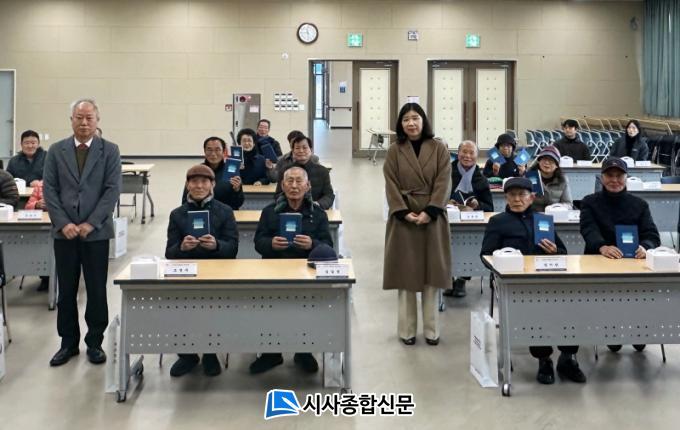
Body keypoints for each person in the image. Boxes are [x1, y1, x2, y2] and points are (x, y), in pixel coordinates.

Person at [481, 177, 585, 385]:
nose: (517, 199)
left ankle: (568, 357)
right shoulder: (498, 222)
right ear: (506, 198)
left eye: (522, 195)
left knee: (571, 306)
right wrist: (504, 261)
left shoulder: (543, 220)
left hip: (550, 280)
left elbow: (563, 252)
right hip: (516, 284)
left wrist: (555, 251)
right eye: (512, 195)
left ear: (531, 198)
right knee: (536, 311)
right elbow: (485, 255)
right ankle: (544, 358)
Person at [43, 98, 121, 367]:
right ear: (71, 120)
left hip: (95, 234)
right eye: (79, 117)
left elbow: (112, 190)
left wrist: (92, 222)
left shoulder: (109, 150)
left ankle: (95, 342)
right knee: (66, 291)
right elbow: (49, 189)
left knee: (97, 290)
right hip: (63, 233)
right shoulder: (56, 150)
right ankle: (68, 343)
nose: (84, 122)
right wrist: (63, 222)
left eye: (89, 118)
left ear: (97, 120)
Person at [250, 166, 333, 374]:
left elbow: (328, 246)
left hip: (305, 274)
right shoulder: (270, 211)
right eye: (289, 181)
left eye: (299, 181)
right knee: (271, 312)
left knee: (304, 312)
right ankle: (271, 354)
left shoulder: (317, 213)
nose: (294, 186)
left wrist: (312, 244)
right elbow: (258, 242)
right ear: (282, 185)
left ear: (308, 185)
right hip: (274, 271)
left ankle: (303, 351)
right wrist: (271, 244)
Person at [383, 103, 451, 346]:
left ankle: (432, 330)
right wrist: (403, 212)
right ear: (400, 124)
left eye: (415, 118)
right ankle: (407, 330)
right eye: (406, 119)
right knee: (406, 275)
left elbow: (444, 180)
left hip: (433, 218)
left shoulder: (439, 148)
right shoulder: (394, 150)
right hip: (404, 219)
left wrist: (431, 210)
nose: (411, 123)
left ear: (424, 120)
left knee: (432, 275)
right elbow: (390, 183)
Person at [580, 156, 660, 353]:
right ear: (602, 177)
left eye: (619, 176)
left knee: (637, 296)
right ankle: (611, 330)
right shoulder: (589, 202)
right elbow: (588, 230)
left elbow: (652, 234)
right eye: (610, 175)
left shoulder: (640, 204)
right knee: (608, 298)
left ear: (626, 178)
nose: (614, 180)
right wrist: (602, 247)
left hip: (633, 263)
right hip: (599, 261)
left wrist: (645, 247)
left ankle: (638, 330)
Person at [165, 164, 239, 377]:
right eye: (194, 182)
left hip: (216, 272)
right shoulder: (177, 214)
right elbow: (169, 252)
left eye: (204, 182)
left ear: (212, 184)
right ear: (187, 185)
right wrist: (182, 248)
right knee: (181, 308)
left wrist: (216, 245)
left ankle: (209, 353)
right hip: (186, 274)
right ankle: (187, 355)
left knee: (211, 308)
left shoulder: (225, 211)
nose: (199, 186)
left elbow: (233, 248)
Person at [444, 140, 492, 298]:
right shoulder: (446, 173)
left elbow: (490, 207)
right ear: (458, 153)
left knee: (471, 244)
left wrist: (477, 205)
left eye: (472, 153)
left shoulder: (481, 179)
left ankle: (462, 279)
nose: (467, 156)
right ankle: (449, 277)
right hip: (447, 222)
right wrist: (446, 203)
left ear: (477, 156)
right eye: (464, 152)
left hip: (471, 224)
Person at [182, 136, 244, 211]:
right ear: (204, 151)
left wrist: (237, 190)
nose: (213, 154)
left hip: (225, 214)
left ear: (224, 152)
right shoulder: (196, 171)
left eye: (217, 150)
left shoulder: (231, 170)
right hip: (202, 214)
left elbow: (238, 203)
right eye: (209, 150)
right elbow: (185, 201)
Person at [274, 135, 335, 209]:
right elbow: (278, 195)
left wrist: (318, 204)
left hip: (315, 211)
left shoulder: (322, 171)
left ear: (311, 150)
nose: (301, 151)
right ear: (293, 151)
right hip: (290, 210)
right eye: (297, 148)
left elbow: (329, 195)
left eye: (305, 148)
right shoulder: (285, 170)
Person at [528, 145, 573, 212]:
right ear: (539, 162)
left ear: (557, 165)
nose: (547, 162)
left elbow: (568, 204)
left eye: (551, 160)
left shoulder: (562, 180)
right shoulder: (530, 177)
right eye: (544, 159)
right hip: (533, 214)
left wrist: (559, 208)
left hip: (554, 214)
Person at [25, 179, 50, 291]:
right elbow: (27, 207)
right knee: (41, 247)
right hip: (42, 228)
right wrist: (36, 204)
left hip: (63, 225)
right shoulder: (40, 186)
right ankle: (45, 278)